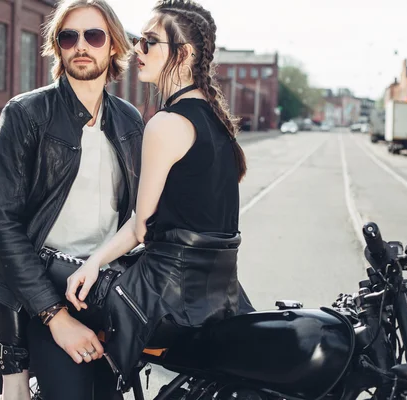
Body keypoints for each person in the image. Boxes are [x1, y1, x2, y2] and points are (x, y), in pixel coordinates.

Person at [27, 0, 253, 395]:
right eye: (137, 40)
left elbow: (140, 225)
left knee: (37, 267)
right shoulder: (218, 121)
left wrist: (93, 262)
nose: (137, 51)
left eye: (149, 42)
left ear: (183, 55)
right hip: (218, 293)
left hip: (163, 293)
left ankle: (15, 377)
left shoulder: (167, 123)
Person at [0, 0, 143, 398]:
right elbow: (0, 226)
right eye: (69, 37)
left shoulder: (129, 120)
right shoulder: (27, 113)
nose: (81, 46)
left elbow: (139, 215)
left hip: (107, 289)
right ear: (58, 47)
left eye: (94, 35)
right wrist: (54, 316)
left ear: (114, 46)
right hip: (45, 290)